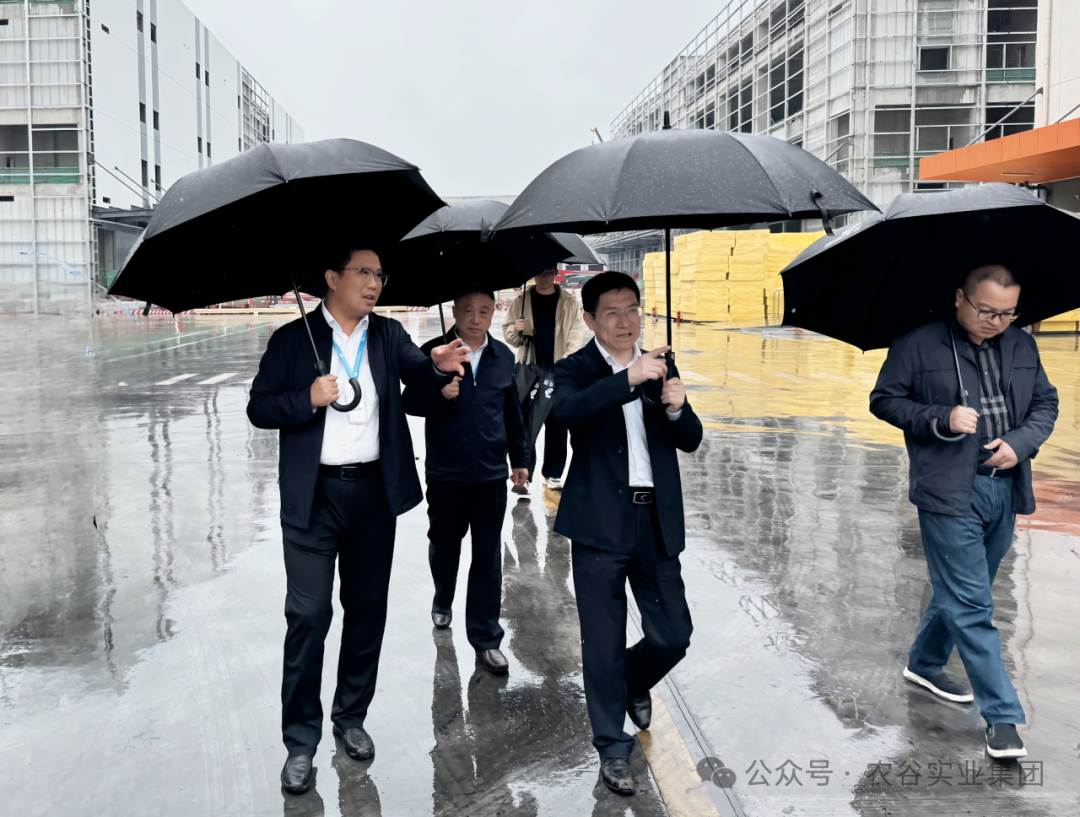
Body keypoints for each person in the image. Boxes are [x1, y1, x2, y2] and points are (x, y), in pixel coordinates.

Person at [247, 249, 469, 795]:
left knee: (367, 610)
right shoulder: (292, 340)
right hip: (313, 497)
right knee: (308, 615)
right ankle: (300, 742)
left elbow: (418, 376)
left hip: (372, 493)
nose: (374, 283)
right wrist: (306, 397)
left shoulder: (388, 335)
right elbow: (259, 407)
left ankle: (350, 717)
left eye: (379, 275)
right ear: (332, 277)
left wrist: (438, 367)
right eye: (364, 273)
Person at [870, 264, 1058, 760]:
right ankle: (1003, 715)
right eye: (986, 311)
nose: (996, 321)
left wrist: (1019, 444)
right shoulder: (917, 345)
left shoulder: (1022, 346)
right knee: (974, 605)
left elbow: (1045, 404)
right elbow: (885, 401)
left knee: (963, 590)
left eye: (1008, 313)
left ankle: (924, 663)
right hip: (948, 491)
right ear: (960, 298)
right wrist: (942, 417)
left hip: (1005, 487)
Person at [552, 271, 702, 795]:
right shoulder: (575, 369)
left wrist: (677, 408)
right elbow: (566, 412)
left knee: (673, 635)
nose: (625, 321)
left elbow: (690, 439)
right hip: (599, 524)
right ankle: (612, 747)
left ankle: (633, 681)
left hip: (654, 520)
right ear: (590, 319)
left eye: (632, 309)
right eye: (612, 312)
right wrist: (628, 379)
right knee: (602, 642)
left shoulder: (661, 364)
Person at [403, 288, 529, 674]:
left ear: (494, 314)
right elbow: (410, 402)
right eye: (469, 310)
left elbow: (512, 413)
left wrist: (520, 459)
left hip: (490, 475)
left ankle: (486, 638)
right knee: (445, 546)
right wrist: (439, 392)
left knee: (488, 557)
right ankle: (443, 597)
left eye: (485, 311)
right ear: (455, 311)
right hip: (447, 473)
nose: (476, 319)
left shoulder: (503, 356)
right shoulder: (433, 351)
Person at [502, 267, 584, 492]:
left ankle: (553, 473)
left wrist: (567, 363)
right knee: (526, 422)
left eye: (548, 271)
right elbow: (509, 335)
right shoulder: (521, 301)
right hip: (530, 370)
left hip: (558, 369)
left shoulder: (568, 302)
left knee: (557, 422)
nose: (544, 277)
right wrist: (517, 329)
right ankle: (525, 473)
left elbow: (576, 334)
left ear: (555, 272)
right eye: (539, 272)